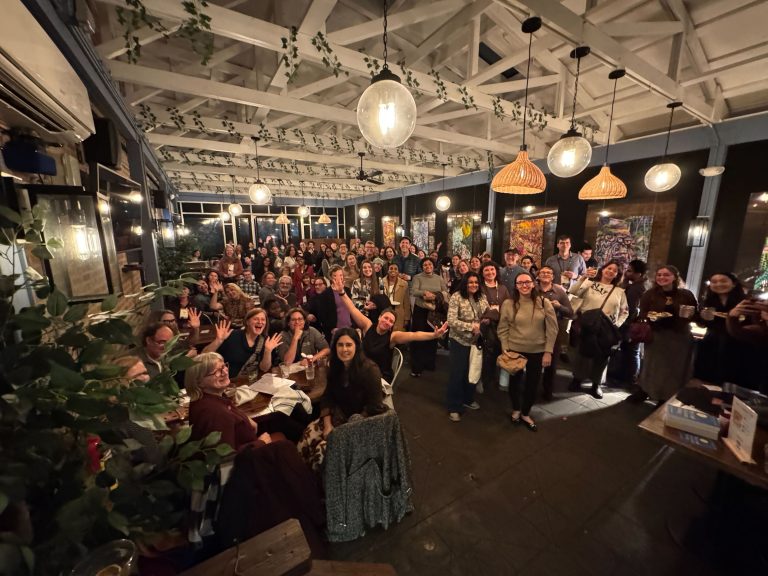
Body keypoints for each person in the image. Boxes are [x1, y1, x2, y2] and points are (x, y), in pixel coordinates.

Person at [184, 352, 324, 551]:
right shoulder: (213, 413)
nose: (224, 371)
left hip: (250, 457)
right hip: (247, 474)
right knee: (286, 448)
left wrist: (243, 420)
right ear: (199, 381)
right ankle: (311, 511)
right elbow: (224, 461)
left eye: (223, 366)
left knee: (286, 428)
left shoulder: (212, 400)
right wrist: (260, 442)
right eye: (215, 372)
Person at [297, 328, 388, 471]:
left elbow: (374, 408)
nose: (344, 349)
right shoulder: (335, 366)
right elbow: (328, 396)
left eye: (348, 345)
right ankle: (303, 479)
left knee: (321, 453)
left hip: (359, 425)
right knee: (306, 439)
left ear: (356, 346)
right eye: (340, 345)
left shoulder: (370, 370)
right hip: (339, 417)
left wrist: (342, 431)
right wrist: (327, 425)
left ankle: (325, 487)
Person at [337, 277, 447, 382]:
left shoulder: (393, 337)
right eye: (386, 318)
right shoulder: (368, 326)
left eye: (391, 321)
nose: (387, 322)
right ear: (380, 317)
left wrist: (434, 335)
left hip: (379, 376)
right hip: (362, 370)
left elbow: (414, 335)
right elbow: (352, 308)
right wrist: (342, 292)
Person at [497, 272, 558, 431]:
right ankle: (516, 409)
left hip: (537, 350)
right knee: (515, 383)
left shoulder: (544, 303)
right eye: (520, 283)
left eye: (527, 282)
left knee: (532, 384)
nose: (524, 285)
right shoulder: (508, 304)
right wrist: (505, 349)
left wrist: (548, 351)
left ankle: (525, 412)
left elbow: (553, 329)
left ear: (533, 283)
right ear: (515, 286)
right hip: (514, 350)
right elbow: (503, 328)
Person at [628, 265, 697, 404]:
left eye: (666, 275)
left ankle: (665, 398)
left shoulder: (686, 294)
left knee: (673, 369)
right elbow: (643, 313)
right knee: (651, 366)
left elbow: (694, 312)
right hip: (657, 335)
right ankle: (645, 390)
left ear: (675, 277)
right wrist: (650, 317)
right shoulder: (650, 294)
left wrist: (689, 316)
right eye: (659, 275)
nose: (662, 277)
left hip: (679, 336)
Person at [568, 261, 629, 399]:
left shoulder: (619, 292)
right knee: (582, 354)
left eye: (614, 270)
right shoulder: (590, 284)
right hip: (587, 324)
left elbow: (625, 312)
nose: (610, 272)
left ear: (617, 275)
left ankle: (596, 384)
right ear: (602, 269)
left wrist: (616, 325)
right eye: (609, 268)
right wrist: (583, 278)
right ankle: (577, 379)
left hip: (606, 327)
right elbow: (573, 291)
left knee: (602, 357)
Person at [693, 272, 758, 387]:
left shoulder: (745, 302)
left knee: (733, 382)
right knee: (709, 382)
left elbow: (752, 326)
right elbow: (705, 324)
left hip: (738, 346)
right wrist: (699, 317)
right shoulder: (709, 301)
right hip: (712, 344)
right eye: (714, 282)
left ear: (733, 284)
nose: (718, 284)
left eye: (723, 281)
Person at [446, 273, 489, 422]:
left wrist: (488, 318)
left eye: (476, 282)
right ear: (464, 283)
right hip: (459, 340)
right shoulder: (456, 296)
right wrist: (470, 327)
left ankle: (467, 399)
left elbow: (486, 312)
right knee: (457, 373)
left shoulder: (481, 296)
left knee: (472, 372)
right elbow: (451, 320)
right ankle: (454, 406)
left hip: (476, 342)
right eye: (470, 282)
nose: (474, 285)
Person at [203, 308, 282, 377]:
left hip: (250, 382)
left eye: (263, 319)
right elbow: (204, 355)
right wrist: (218, 340)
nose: (260, 322)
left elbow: (264, 368)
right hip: (228, 381)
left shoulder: (266, 341)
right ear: (247, 322)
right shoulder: (232, 335)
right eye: (256, 319)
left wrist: (267, 351)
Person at [536, 265, 574, 400]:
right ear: (538, 275)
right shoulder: (533, 289)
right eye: (543, 272)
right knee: (535, 360)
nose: (546, 274)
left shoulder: (559, 291)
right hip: (534, 330)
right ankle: (532, 387)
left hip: (554, 330)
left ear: (553, 276)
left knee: (551, 363)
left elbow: (570, 312)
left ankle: (548, 390)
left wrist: (559, 306)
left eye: (549, 273)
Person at [610, 259, 649, 386]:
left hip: (631, 324)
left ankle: (629, 378)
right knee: (628, 350)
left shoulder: (637, 288)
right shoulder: (635, 285)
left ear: (639, 274)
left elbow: (630, 307)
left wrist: (625, 323)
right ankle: (626, 376)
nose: (627, 273)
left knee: (632, 351)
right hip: (630, 323)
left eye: (630, 271)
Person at [409, 258, 449, 377]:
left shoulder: (439, 278)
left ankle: (429, 363)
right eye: (425, 265)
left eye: (430, 264)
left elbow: (445, 292)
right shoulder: (417, 277)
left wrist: (435, 296)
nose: (427, 266)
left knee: (433, 337)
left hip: (435, 311)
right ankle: (417, 367)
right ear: (422, 267)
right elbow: (413, 291)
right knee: (418, 337)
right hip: (420, 311)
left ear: (433, 265)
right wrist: (424, 294)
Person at [479, 261, 510, 392]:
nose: (490, 272)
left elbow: (508, 306)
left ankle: (494, 379)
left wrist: (493, 314)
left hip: (500, 326)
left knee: (497, 353)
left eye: (492, 269)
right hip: (483, 326)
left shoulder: (503, 288)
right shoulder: (479, 287)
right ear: (482, 273)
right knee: (483, 355)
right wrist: (492, 314)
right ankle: (481, 380)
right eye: (486, 270)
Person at [307, 265, 353, 343]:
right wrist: (331, 328)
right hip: (335, 330)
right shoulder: (325, 294)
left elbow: (352, 309)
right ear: (331, 277)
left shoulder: (347, 290)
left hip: (349, 327)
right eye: (335, 275)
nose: (339, 278)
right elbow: (322, 315)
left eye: (341, 275)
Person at [381, 262, 411, 332]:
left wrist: (407, 318)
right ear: (388, 271)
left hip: (399, 312)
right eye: (391, 268)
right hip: (385, 311)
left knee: (397, 335)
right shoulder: (381, 281)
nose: (393, 270)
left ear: (398, 272)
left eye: (395, 269)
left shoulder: (404, 284)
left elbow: (406, 302)